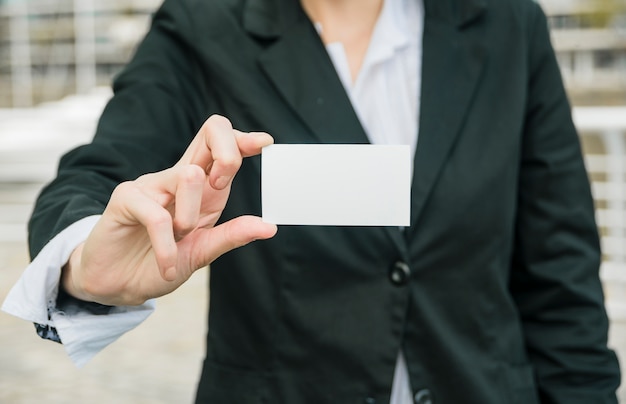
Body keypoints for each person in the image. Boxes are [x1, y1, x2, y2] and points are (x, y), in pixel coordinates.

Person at [2, 0, 621, 402]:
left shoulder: (507, 23)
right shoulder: (204, 26)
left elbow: (561, 279)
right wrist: (86, 263)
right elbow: (97, 172)